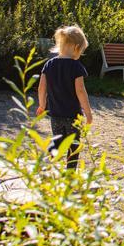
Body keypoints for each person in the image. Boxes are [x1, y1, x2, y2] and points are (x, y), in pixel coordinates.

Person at [36, 25, 92, 170]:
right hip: (73, 115)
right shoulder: (76, 66)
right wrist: (88, 113)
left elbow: (42, 88)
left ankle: (47, 162)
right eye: (81, 51)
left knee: (58, 140)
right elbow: (81, 91)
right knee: (73, 144)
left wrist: (42, 105)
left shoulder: (49, 65)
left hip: (55, 114)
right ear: (76, 47)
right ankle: (70, 173)